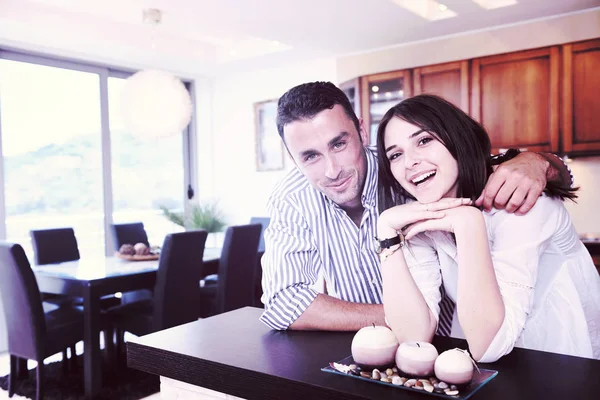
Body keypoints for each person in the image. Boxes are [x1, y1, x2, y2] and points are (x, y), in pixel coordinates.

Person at [259, 81, 574, 332]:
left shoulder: (412, 174)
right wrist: (407, 317)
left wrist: (542, 162)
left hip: (453, 342)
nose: (332, 170)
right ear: (292, 158)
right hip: (373, 344)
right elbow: (283, 303)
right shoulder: (292, 197)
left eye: (339, 144)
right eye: (309, 156)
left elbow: (479, 163)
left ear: (361, 131)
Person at [376, 93, 600, 362]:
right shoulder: (426, 214)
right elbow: (413, 336)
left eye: (424, 140)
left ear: (458, 139)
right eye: (396, 154)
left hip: (563, 358)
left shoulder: (520, 201)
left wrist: (468, 221)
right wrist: (386, 232)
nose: (409, 162)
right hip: (502, 367)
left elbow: (489, 346)